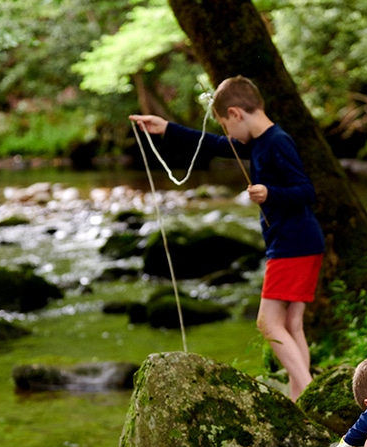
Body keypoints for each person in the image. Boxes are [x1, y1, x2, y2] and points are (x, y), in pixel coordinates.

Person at [129, 76, 325, 401]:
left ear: (236, 113)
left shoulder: (277, 141)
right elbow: (215, 145)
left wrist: (270, 193)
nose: (227, 133)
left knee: (267, 324)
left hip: (293, 244)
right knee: (291, 325)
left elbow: (307, 191)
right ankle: (298, 394)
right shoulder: (258, 141)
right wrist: (166, 128)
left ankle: (306, 390)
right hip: (300, 243)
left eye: (225, 124)